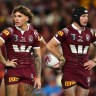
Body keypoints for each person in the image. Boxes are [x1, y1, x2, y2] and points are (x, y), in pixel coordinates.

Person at [46, 6, 96, 96]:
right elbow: (49, 45)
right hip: (69, 71)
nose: (86, 19)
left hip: (84, 71)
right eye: (83, 16)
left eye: (87, 16)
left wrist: (94, 61)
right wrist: (61, 58)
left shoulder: (90, 32)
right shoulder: (66, 32)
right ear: (76, 17)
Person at [0, 5, 42, 96]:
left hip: (27, 71)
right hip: (12, 70)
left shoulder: (34, 34)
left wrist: (38, 77)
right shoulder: (9, 31)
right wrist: (5, 62)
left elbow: (37, 56)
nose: (16, 19)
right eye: (15, 16)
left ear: (27, 18)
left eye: (19, 16)